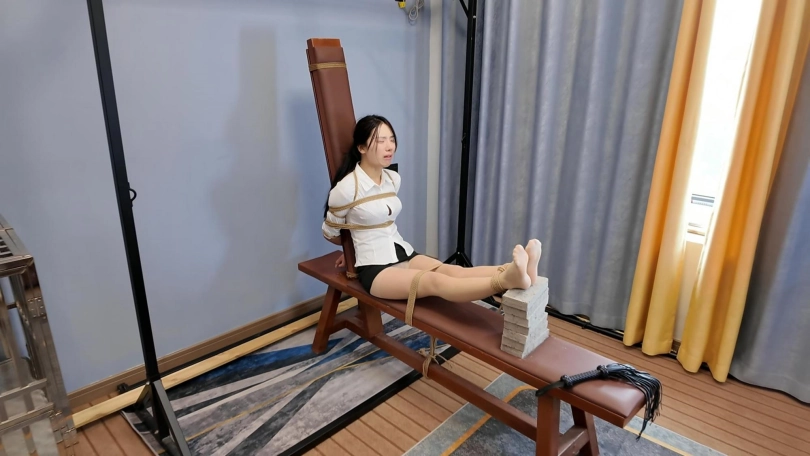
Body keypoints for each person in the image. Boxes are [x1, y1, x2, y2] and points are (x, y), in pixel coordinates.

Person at [321, 114, 542, 303]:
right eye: (380, 141)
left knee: (452, 270)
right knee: (434, 281)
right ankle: (506, 280)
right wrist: (350, 252)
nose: (389, 146)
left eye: (392, 139)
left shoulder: (392, 179)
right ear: (361, 147)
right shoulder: (347, 189)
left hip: (402, 251)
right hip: (375, 268)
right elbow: (331, 232)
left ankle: (518, 271)